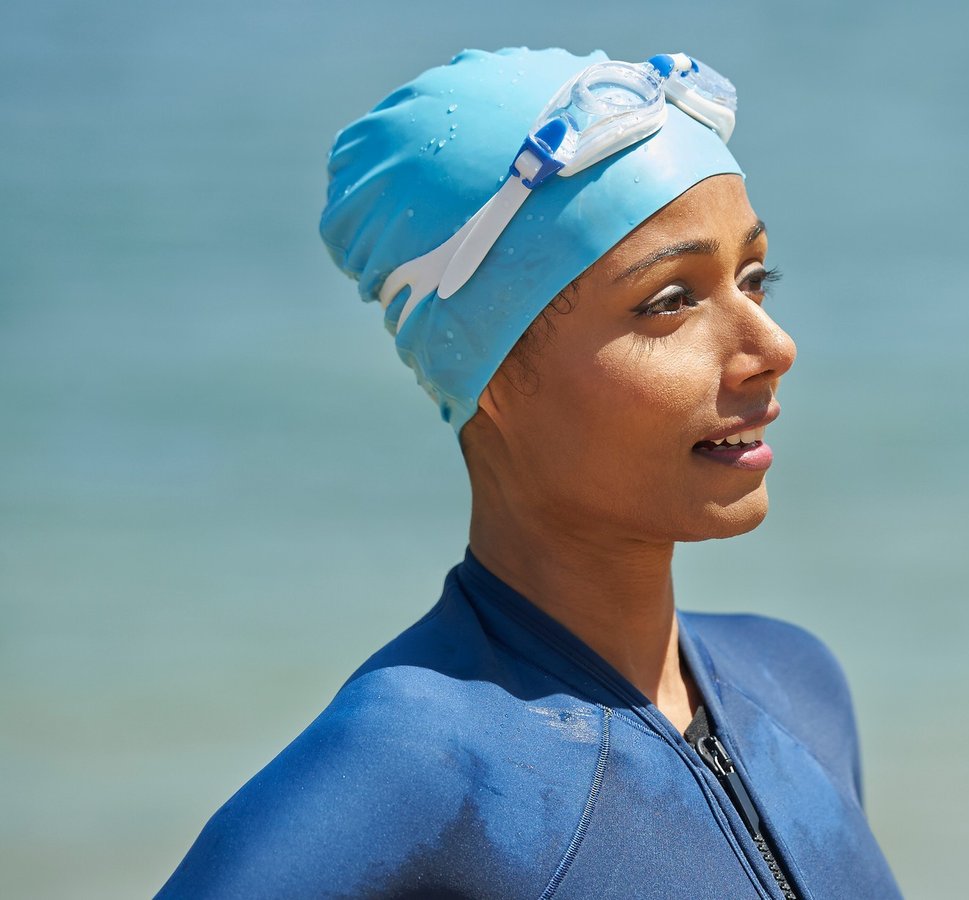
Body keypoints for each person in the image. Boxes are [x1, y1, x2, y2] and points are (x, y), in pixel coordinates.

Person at [155, 47, 902, 899]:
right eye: (670, 302)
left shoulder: (798, 687)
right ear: (492, 369)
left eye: (754, 278)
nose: (774, 347)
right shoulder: (403, 772)